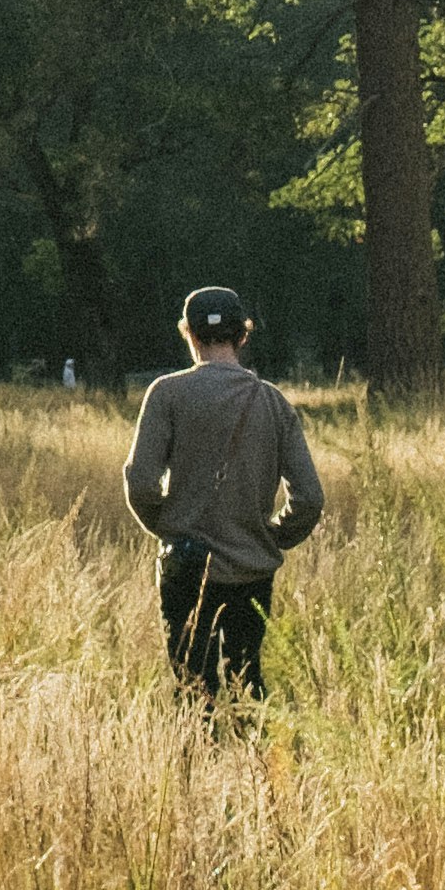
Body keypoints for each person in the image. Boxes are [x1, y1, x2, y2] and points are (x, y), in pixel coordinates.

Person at [122, 286, 324, 701]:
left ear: (189, 335)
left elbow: (141, 482)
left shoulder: (166, 394)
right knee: (248, 684)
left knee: (193, 691)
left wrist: (172, 530)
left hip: (187, 570)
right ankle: (260, 764)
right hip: (252, 572)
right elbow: (309, 498)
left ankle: (199, 764)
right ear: (243, 336)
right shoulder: (274, 403)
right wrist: (270, 536)